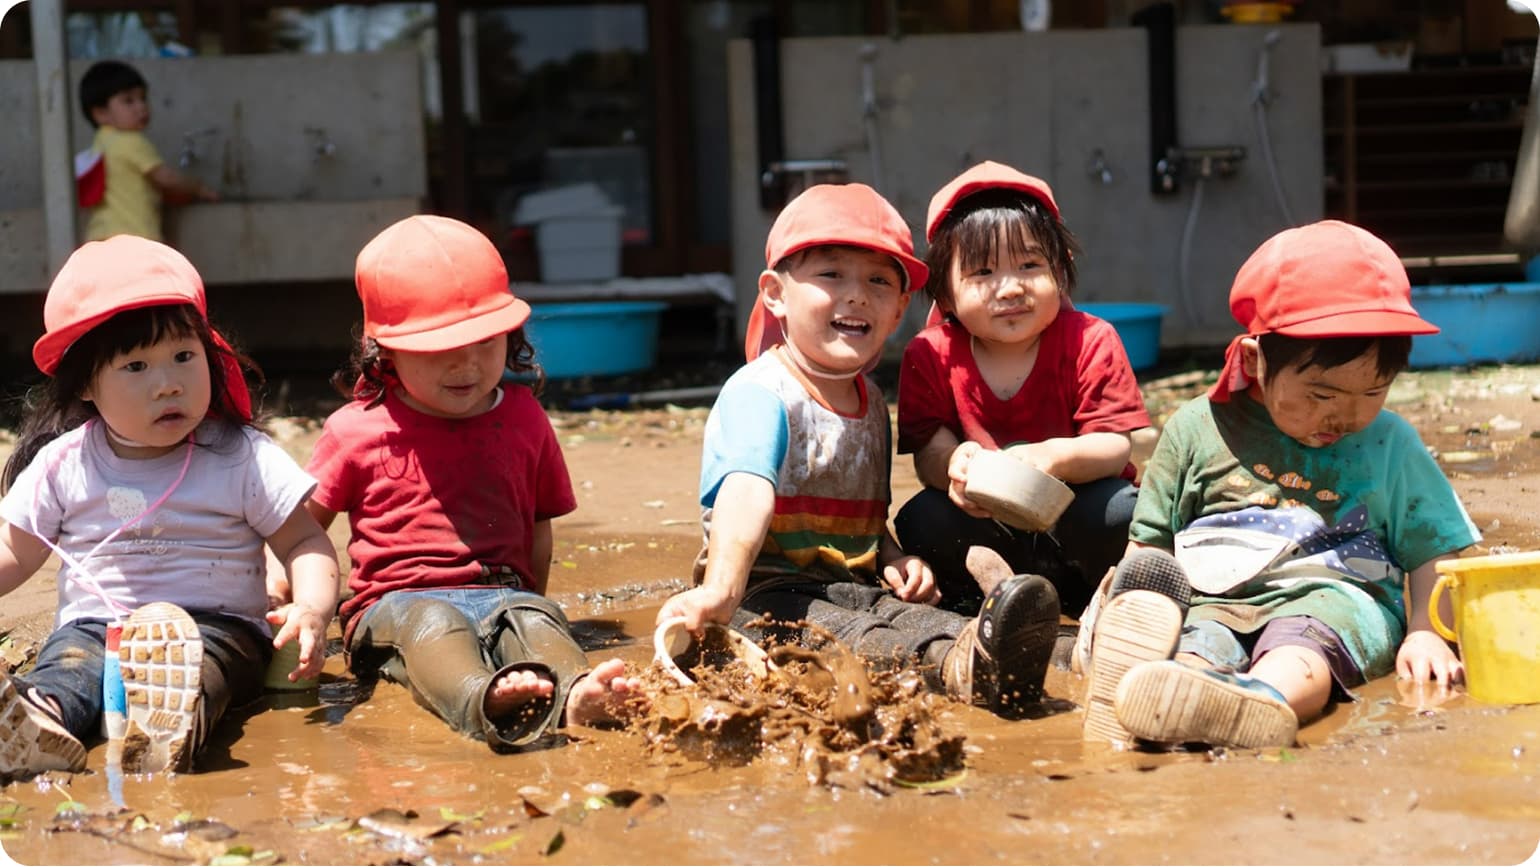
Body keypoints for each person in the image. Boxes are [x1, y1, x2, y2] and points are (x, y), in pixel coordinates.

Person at [655, 182, 1062, 717]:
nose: (857, 295)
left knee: (917, 617)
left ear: (898, 311)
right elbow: (745, 494)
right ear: (774, 293)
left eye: (878, 281)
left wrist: (894, 557)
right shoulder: (761, 393)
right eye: (831, 274)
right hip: (767, 594)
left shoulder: (870, 404)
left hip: (852, 583)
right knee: (854, 636)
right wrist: (721, 591)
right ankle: (963, 667)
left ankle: (1051, 651)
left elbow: (866, 516)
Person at [1081, 220, 1479, 749]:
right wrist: (1128, 614)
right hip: (1213, 602)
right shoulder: (1196, 429)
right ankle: (1176, 692)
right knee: (1195, 646)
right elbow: (1151, 547)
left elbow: (1437, 549)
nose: (1347, 416)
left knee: (1300, 652)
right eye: (1322, 395)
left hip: (1337, 600)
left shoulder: (1391, 443)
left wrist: (1427, 632)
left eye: (1373, 393)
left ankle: (1263, 700)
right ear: (1255, 360)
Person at [0, 236, 339, 779]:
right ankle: (39, 723)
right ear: (85, 383)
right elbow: (14, 552)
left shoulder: (240, 454)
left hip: (215, 628)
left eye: (184, 357)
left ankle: (165, 729)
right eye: (136, 366)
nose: (168, 385)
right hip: (96, 627)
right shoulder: (64, 463)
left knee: (202, 672)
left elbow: (303, 539)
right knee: (68, 669)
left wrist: (312, 609)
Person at [300, 214, 641, 750]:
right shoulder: (354, 430)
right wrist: (296, 607)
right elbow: (299, 531)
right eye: (441, 348)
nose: (467, 364)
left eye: (485, 343)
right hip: (394, 609)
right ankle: (479, 698)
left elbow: (539, 528)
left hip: (499, 590)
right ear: (384, 350)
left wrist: (529, 603)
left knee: (534, 618)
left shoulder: (524, 417)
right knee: (432, 620)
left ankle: (576, 692)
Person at [893, 161, 1151, 620]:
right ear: (945, 293)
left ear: (1060, 273)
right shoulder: (930, 353)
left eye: (1030, 265)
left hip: (1072, 516)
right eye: (983, 272)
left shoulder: (1091, 339)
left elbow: (1114, 447)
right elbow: (928, 452)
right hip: (986, 524)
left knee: (1123, 512)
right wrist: (953, 464)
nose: (1010, 288)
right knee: (920, 518)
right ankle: (984, 607)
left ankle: (1105, 604)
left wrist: (1052, 457)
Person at [77, 59, 218, 244]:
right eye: (128, 101)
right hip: (134, 236)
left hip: (100, 238)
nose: (141, 107)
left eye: (143, 98)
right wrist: (198, 189)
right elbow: (167, 178)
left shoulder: (101, 141)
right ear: (100, 113)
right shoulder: (131, 141)